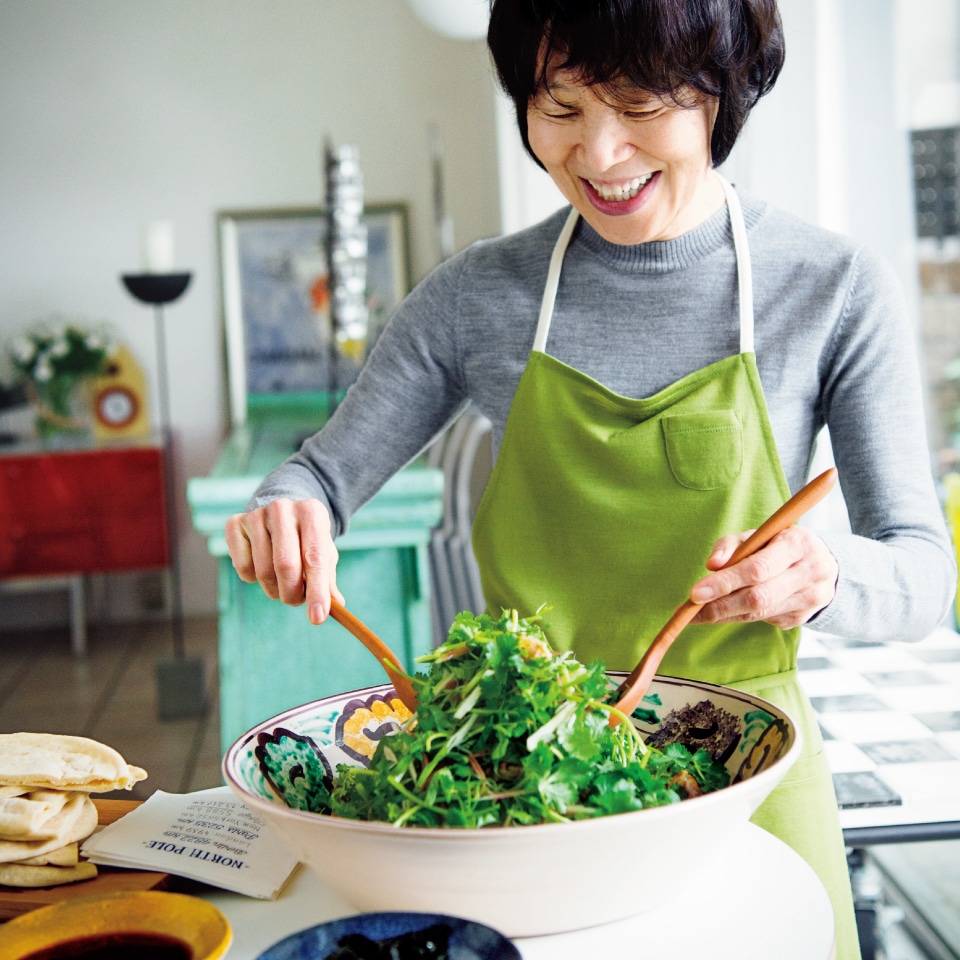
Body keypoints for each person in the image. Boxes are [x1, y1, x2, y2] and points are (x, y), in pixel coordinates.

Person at [225, 2, 956, 957]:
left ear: (720, 93)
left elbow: (921, 575)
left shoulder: (832, 287)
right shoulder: (477, 296)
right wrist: (288, 511)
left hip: (749, 792)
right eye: (559, 107)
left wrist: (821, 578)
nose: (599, 154)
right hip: (524, 811)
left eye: (640, 103)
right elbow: (320, 474)